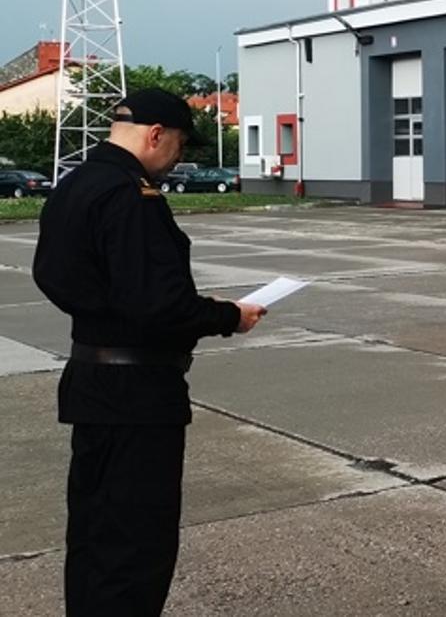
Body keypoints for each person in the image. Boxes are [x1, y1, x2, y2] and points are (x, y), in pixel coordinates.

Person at [33, 88, 267, 617]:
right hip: (137, 394)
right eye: (180, 146)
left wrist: (104, 312)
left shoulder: (75, 186)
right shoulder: (130, 195)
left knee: (94, 536)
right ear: (156, 135)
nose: (177, 159)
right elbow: (161, 304)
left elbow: (50, 274)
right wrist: (230, 316)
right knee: (135, 545)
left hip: (91, 378)